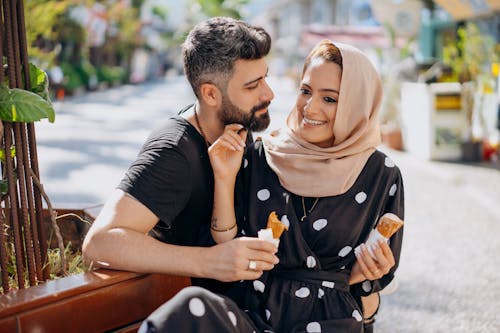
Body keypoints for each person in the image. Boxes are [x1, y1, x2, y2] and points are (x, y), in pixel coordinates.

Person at [139, 40, 404, 333]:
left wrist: (371, 273)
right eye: (306, 91)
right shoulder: (262, 154)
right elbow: (228, 246)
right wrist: (225, 178)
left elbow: (367, 287)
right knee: (191, 305)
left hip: (330, 320)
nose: (310, 107)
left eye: (329, 99)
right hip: (252, 313)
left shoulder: (382, 174)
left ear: (357, 104)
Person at [82, 16, 279, 294]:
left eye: (265, 78)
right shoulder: (173, 152)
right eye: (252, 85)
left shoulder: (234, 128)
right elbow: (100, 242)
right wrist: (210, 262)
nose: (268, 93)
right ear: (210, 94)